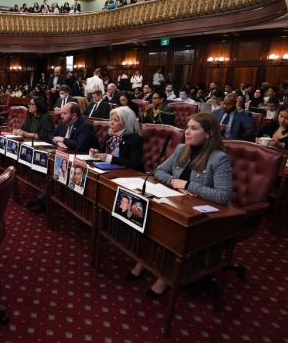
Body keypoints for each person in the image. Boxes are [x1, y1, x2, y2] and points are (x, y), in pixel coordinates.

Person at [128, 112, 232, 298]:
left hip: (204, 214)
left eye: (194, 128)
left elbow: (223, 196)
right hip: (176, 201)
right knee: (151, 218)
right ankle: (144, 261)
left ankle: (165, 278)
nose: (187, 132)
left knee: (172, 231)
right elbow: (159, 171)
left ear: (208, 134)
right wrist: (175, 182)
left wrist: (188, 185)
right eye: (187, 128)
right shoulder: (181, 149)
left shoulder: (219, 158)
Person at [89, 106, 144, 171]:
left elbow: (135, 164)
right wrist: (96, 152)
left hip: (127, 174)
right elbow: (103, 151)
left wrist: (110, 158)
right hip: (108, 170)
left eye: (115, 120)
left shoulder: (135, 139)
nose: (111, 123)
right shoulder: (110, 135)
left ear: (126, 123)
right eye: (111, 119)